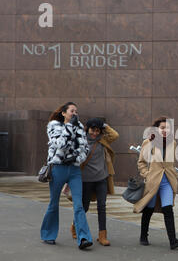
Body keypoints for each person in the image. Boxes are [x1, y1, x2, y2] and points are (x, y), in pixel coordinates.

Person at [40, 102, 93, 250]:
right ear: (64, 113)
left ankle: (83, 238)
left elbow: (85, 148)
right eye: (72, 111)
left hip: (74, 169)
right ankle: (48, 235)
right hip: (58, 168)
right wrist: (70, 126)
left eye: (76, 111)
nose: (75, 113)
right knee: (53, 203)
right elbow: (60, 144)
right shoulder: (54, 126)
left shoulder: (80, 127)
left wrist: (77, 157)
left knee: (79, 204)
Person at [133, 116, 178, 250]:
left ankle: (173, 241)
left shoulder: (172, 142)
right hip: (153, 181)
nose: (165, 130)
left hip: (167, 181)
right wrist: (147, 174)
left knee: (168, 209)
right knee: (149, 209)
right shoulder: (148, 142)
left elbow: (170, 163)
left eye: (167, 128)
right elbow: (141, 162)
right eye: (162, 128)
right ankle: (143, 236)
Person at [69, 118, 119, 246]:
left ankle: (102, 236)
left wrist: (104, 125)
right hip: (85, 180)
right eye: (92, 130)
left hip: (101, 179)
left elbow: (115, 135)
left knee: (101, 207)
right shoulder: (82, 141)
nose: (95, 133)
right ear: (87, 129)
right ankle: (75, 226)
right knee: (84, 207)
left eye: (97, 131)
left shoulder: (102, 140)